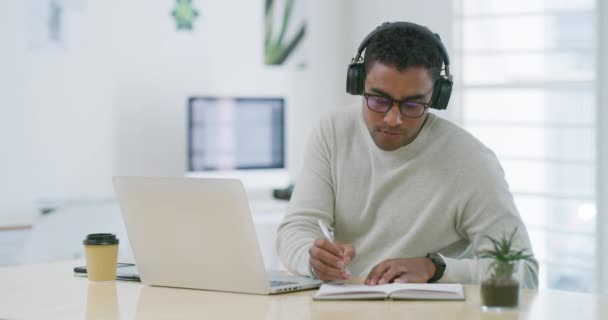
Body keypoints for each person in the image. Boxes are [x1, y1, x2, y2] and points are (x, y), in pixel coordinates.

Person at [276, 21, 539, 288]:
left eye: (412, 104)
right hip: (348, 306)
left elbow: (524, 273)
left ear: (437, 97)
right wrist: (313, 260)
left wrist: (436, 268)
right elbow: (297, 229)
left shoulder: (472, 161)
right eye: (379, 100)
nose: (393, 119)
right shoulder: (332, 131)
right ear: (358, 83)